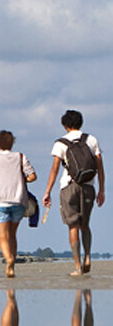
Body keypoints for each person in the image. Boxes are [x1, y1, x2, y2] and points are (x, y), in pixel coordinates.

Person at [42, 110, 105, 276]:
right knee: (85, 224)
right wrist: (102, 190)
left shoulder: (60, 143)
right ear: (81, 122)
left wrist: (47, 191)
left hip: (69, 186)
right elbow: (99, 166)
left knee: (73, 226)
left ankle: (77, 266)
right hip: (89, 187)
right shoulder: (91, 140)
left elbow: (55, 169)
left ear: (65, 125)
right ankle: (88, 257)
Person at [0, 130, 37, 278]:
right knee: (12, 235)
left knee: (2, 236)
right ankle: (13, 263)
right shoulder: (20, 156)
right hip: (18, 200)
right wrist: (22, 180)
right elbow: (32, 176)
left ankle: (9, 259)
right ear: (12, 143)